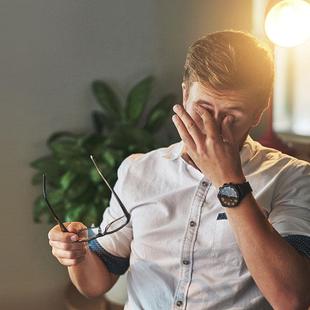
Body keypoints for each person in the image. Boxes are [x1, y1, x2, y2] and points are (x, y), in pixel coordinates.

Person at [48, 30, 310, 309]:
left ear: (259, 112)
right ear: (185, 94)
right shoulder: (139, 169)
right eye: (203, 109)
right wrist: (76, 254)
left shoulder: (292, 177)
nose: (212, 128)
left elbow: (292, 298)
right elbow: (96, 283)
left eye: (231, 116)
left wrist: (229, 180)